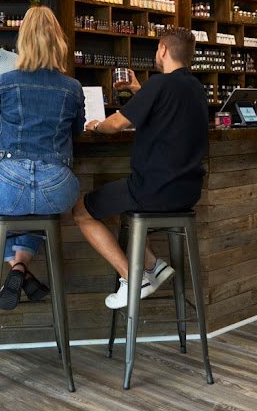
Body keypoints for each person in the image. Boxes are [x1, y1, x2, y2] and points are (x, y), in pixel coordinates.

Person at [72, 27, 209, 309]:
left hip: (152, 190)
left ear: (163, 50)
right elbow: (164, 106)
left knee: (82, 211)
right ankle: (153, 265)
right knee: (113, 202)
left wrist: (96, 126)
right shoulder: (195, 88)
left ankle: (133, 279)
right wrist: (137, 89)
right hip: (187, 192)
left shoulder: (160, 84)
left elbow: (116, 124)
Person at [0, 6, 85, 310]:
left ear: (23, 41)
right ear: (58, 41)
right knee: (38, 206)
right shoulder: (73, 88)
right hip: (57, 190)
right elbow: (77, 132)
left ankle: (16, 266)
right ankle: (21, 265)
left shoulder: (4, 83)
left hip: (7, 185)